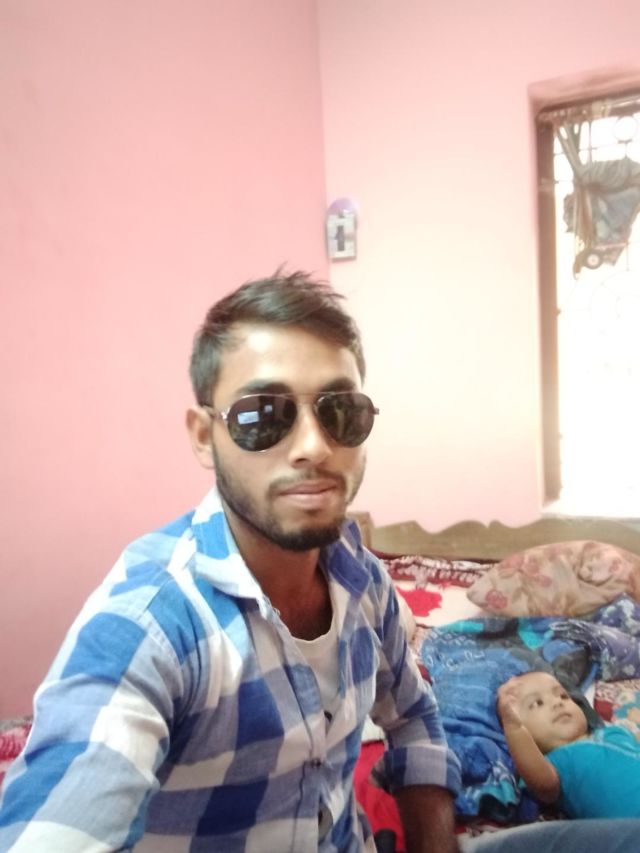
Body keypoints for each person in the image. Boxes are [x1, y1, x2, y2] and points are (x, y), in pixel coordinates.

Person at [0, 270, 462, 852]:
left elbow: (415, 717)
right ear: (203, 436)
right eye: (263, 415)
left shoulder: (363, 578)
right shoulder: (152, 623)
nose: (314, 446)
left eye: (340, 411)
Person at [496, 669, 640, 819]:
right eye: (537, 703)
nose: (557, 702)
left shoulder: (614, 732)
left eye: (563, 696)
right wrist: (513, 727)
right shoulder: (557, 763)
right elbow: (542, 784)